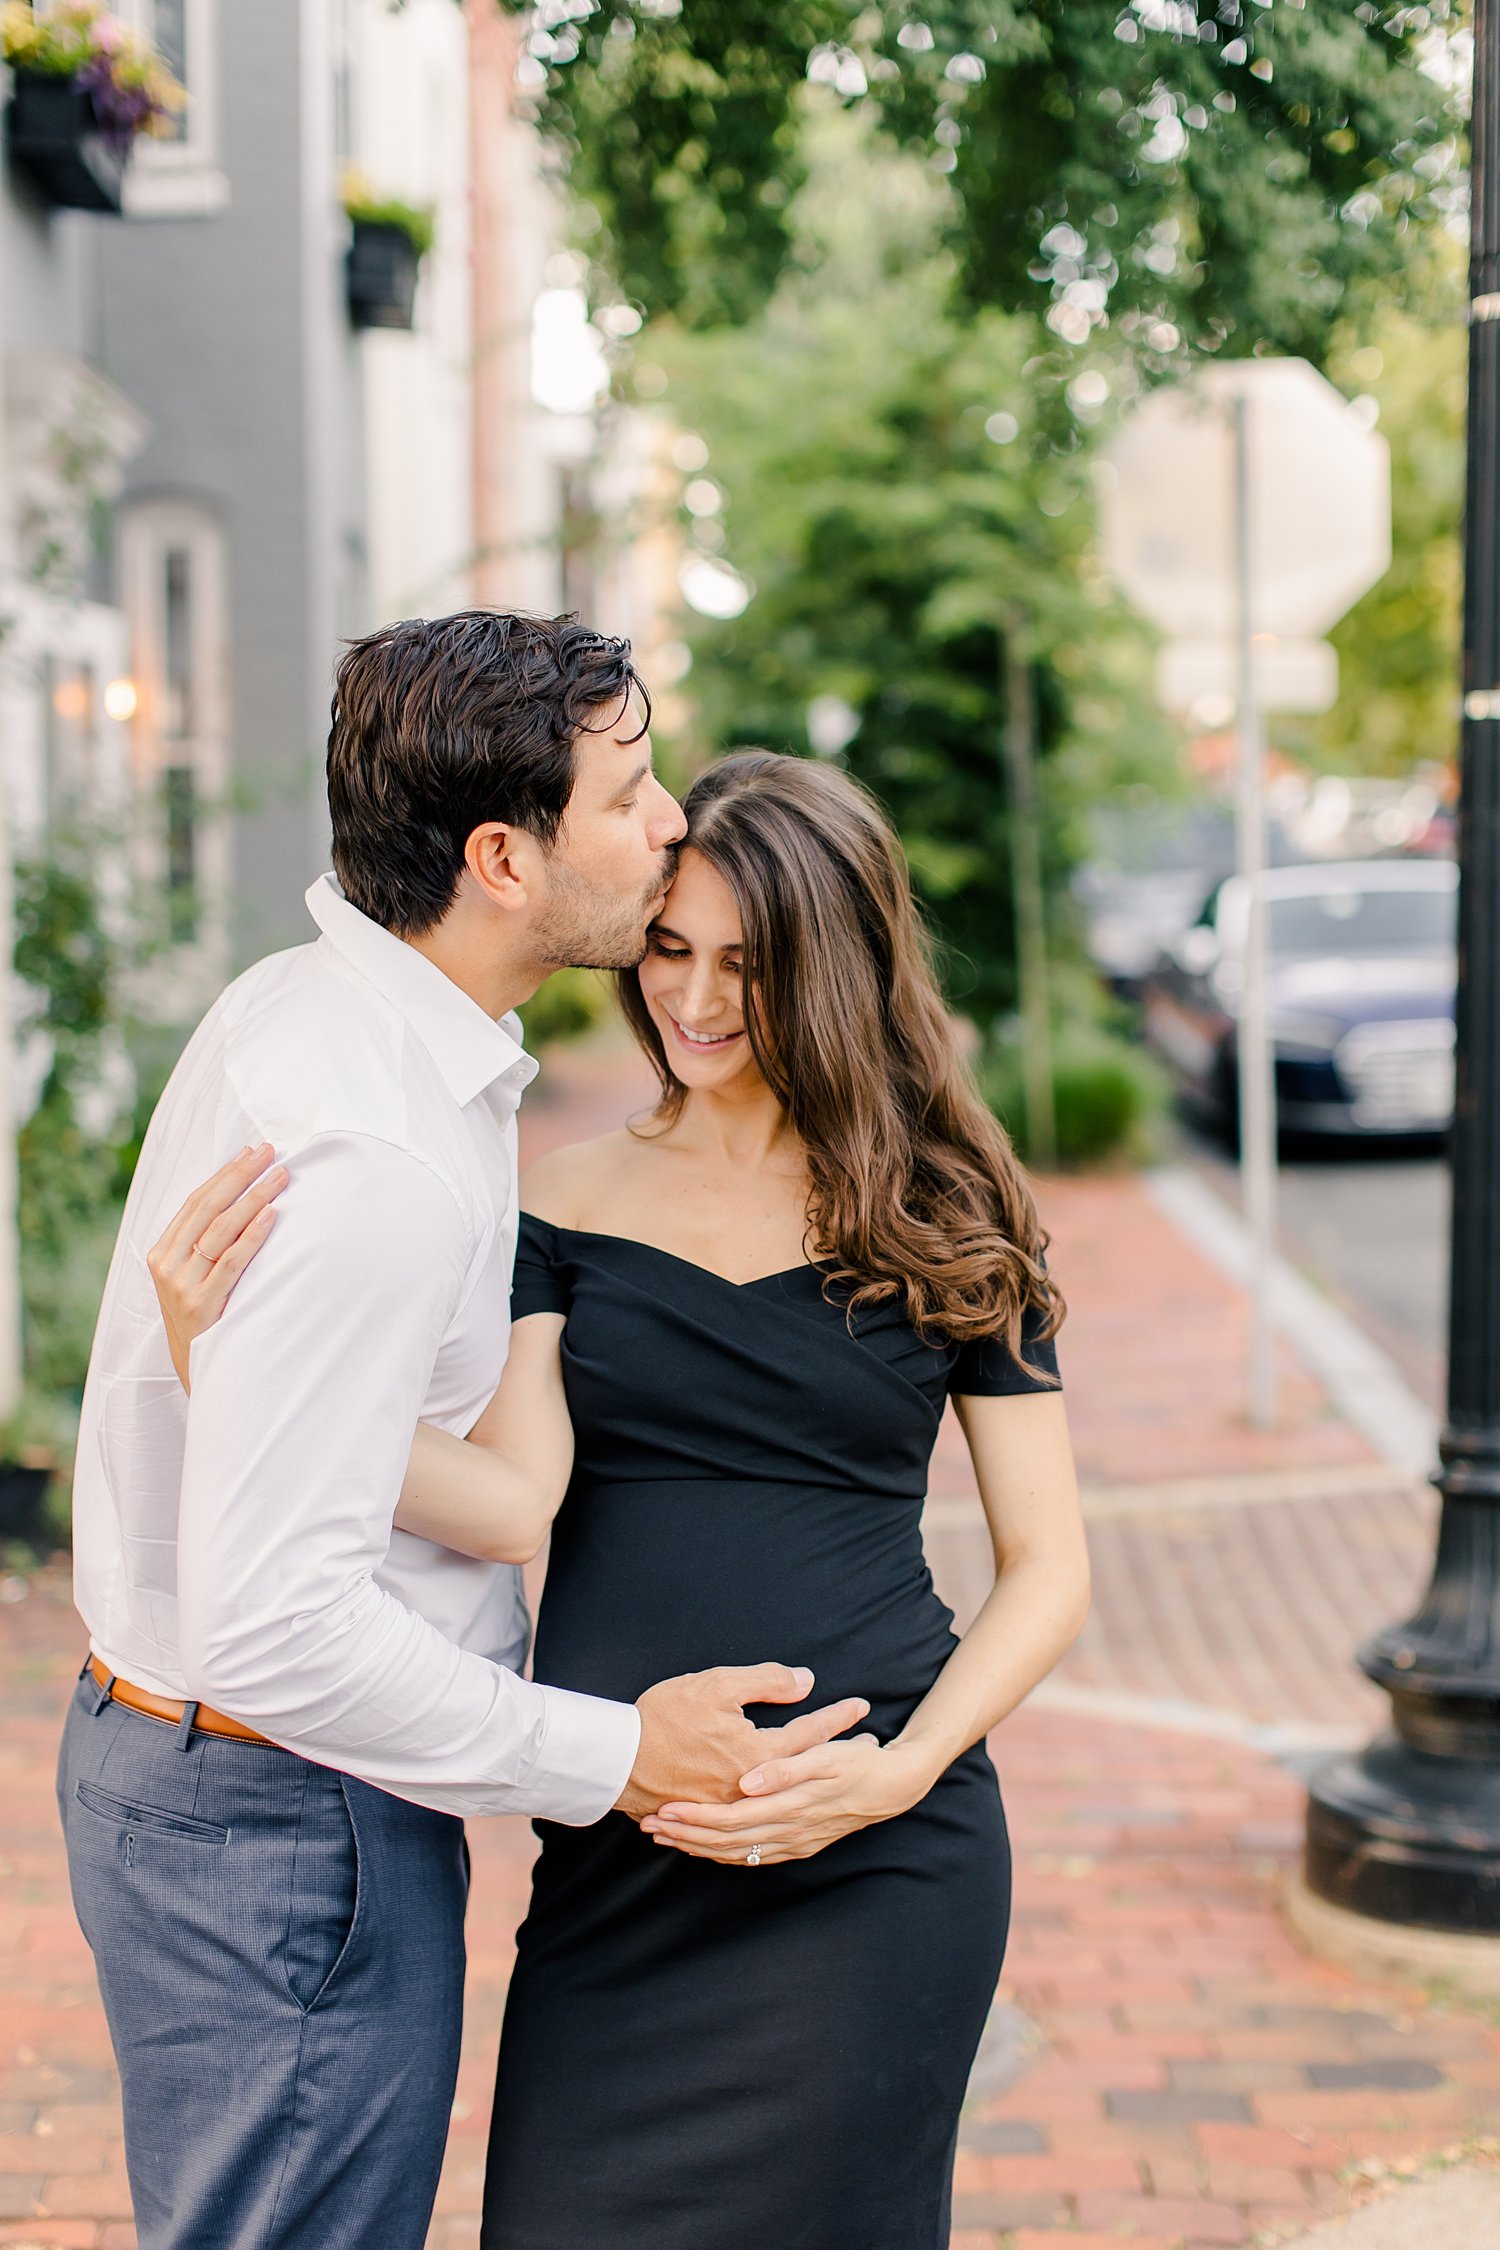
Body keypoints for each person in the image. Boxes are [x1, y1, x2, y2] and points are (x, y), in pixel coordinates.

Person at [150, 747, 1091, 2250]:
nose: (698, 999)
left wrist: (904, 1768)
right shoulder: (563, 1199)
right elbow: (509, 1496)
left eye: (748, 963)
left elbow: (1049, 1569)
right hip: (621, 1855)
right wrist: (243, 1375)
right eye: (670, 949)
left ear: (833, 968)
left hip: (873, 1859)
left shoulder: (948, 1204)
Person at [57, 616, 869, 2250]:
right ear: (504, 856)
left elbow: (408, 1473)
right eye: (630, 791)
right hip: (287, 1821)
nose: (667, 825)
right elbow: (279, 1625)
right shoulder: (375, 1151)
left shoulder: (333, 1020)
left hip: (240, 1791)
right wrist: (621, 1754)